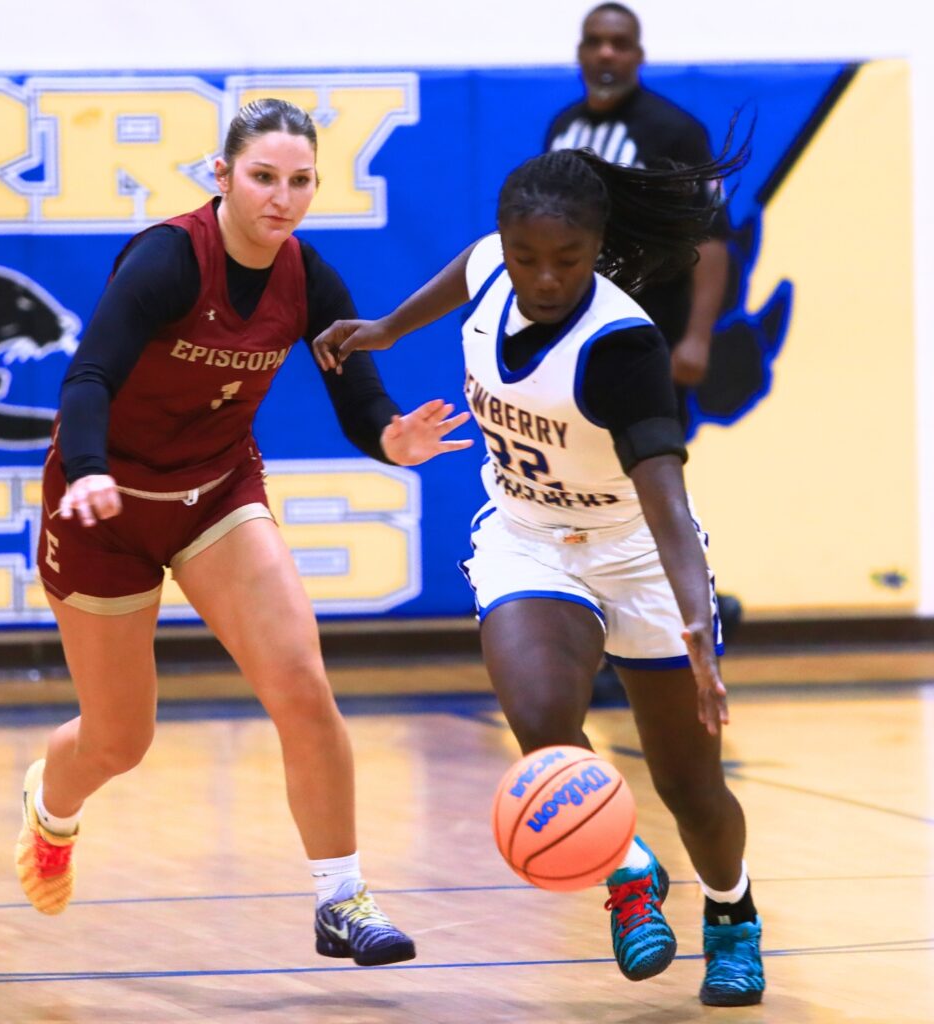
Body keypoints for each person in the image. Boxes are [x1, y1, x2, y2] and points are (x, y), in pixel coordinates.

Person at [16, 98, 472, 968]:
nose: (282, 197)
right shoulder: (168, 261)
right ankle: (52, 809)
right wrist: (89, 470)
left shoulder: (309, 277)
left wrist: (389, 437)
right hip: (103, 506)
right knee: (121, 739)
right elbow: (88, 377)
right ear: (221, 176)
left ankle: (342, 898)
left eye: (300, 181)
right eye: (264, 177)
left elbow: (358, 395)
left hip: (217, 494)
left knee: (301, 681)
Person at [312, 146, 765, 1005]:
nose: (544, 277)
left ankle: (732, 914)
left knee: (691, 787)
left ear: (597, 249)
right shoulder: (494, 265)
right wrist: (384, 329)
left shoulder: (622, 346)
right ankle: (628, 874)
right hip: (527, 538)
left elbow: (666, 502)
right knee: (541, 723)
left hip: (636, 552)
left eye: (568, 260)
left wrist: (700, 635)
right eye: (527, 257)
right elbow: (465, 271)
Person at [548, 1, 743, 701]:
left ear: (638, 55)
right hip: (575, 343)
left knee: (648, 486)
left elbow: (713, 241)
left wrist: (694, 338)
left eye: (619, 44)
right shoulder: (564, 128)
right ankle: (618, 623)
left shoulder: (671, 130)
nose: (605, 55)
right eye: (594, 42)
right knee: (585, 479)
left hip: (648, 344)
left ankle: (678, 620)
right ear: (580, 52)